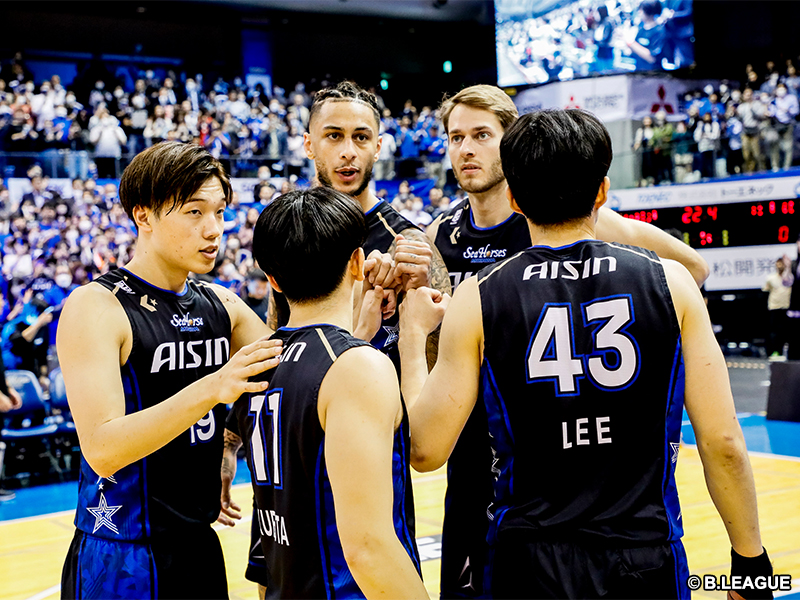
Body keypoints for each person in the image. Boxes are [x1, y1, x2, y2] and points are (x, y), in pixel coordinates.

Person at [401, 108, 771, 599]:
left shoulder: (479, 297)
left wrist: (411, 336)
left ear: (512, 196)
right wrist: (752, 564)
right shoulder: (671, 282)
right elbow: (723, 442)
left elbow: (424, 449)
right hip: (645, 556)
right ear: (602, 191)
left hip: (527, 559)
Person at [57, 141, 282, 600]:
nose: (214, 229)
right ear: (144, 216)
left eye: (219, 213)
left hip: (199, 541)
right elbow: (103, 447)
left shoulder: (221, 303)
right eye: (195, 213)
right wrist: (214, 387)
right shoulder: (95, 307)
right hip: (123, 553)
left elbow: (297, 367)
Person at [230, 187, 432, 599]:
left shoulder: (259, 361)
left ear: (272, 279)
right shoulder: (355, 366)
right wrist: (413, 336)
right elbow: (367, 549)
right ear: (358, 262)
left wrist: (358, 335)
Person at [763, 256, 792, 359]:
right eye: (778, 264)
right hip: (774, 307)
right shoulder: (770, 278)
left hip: (785, 307)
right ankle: (774, 352)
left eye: (781, 264)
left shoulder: (789, 278)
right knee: (773, 332)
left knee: (783, 332)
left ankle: (782, 352)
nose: (779, 266)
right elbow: (766, 291)